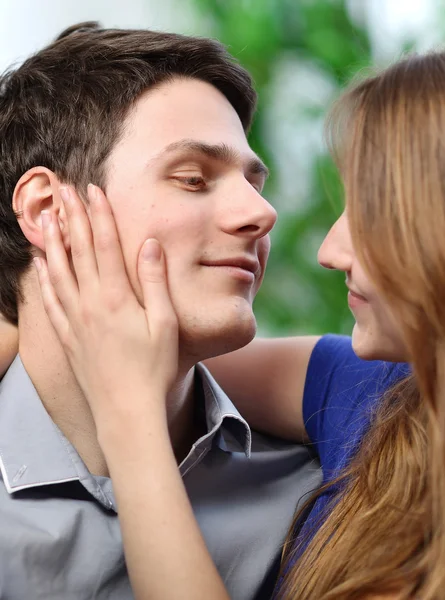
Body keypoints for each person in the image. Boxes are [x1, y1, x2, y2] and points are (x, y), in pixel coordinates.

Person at [19, 50, 445, 599]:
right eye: (195, 179)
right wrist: (27, 289)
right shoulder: (381, 394)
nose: (328, 249)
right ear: (46, 209)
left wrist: (129, 415)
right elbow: (150, 347)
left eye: (373, 211)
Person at [0, 21, 323, 600]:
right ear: (48, 210)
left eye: (255, 182)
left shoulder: (317, 501)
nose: (262, 213)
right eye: (194, 179)